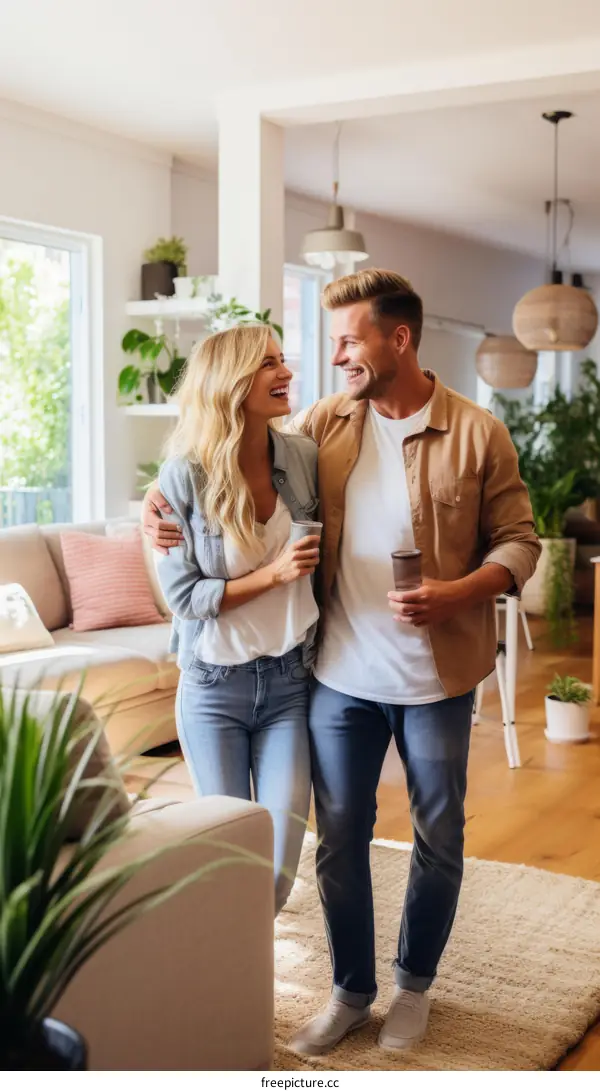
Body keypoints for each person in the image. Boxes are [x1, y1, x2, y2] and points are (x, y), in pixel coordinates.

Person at [143, 270, 540, 1055]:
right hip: (334, 680)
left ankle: (413, 987)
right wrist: (153, 514)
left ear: (400, 338)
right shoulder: (324, 424)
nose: (335, 358)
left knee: (439, 832)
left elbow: (520, 539)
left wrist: (460, 590)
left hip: (438, 682)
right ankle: (351, 991)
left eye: (349, 340)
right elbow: (217, 459)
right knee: (337, 839)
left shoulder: (477, 432)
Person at [153, 324, 321, 915]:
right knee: (227, 852)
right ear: (231, 382)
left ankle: (239, 967)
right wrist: (273, 576)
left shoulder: (301, 457)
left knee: (277, 860)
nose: (286, 372)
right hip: (212, 690)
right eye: (268, 364)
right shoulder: (184, 476)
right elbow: (184, 596)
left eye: (283, 358)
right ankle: (230, 985)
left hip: (289, 684)